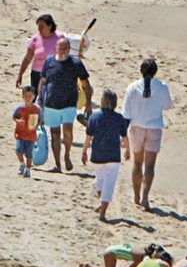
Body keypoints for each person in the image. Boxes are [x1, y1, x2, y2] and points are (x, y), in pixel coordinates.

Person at [122, 58, 173, 208]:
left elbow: (126, 113)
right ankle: (145, 197)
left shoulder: (132, 87)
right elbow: (168, 105)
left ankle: (136, 196)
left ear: (141, 71)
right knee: (150, 166)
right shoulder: (162, 87)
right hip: (154, 128)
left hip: (137, 127)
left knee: (137, 163)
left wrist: (123, 135)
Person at [39, 36, 92, 173]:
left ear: (69, 49)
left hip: (69, 103)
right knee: (55, 134)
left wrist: (88, 103)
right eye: (60, 48)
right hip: (51, 103)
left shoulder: (76, 63)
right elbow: (43, 81)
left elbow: (86, 84)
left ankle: (67, 154)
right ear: (56, 48)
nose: (63, 50)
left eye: (65, 48)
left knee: (68, 132)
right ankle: (58, 165)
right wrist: (40, 99)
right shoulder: (49, 61)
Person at [82, 89, 131, 220]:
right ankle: (103, 210)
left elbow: (88, 138)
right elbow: (124, 136)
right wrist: (128, 150)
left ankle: (102, 205)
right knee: (108, 183)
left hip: (97, 155)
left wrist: (84, 151)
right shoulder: (119, 118)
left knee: (99, 181)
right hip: (113, 156)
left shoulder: (94, 117)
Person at [14, 14, 67, 94]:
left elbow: (65, 56)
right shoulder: (35, 39)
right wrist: (20, 74)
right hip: (37, 74)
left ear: (50, 26)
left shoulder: (60, 37)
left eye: (42, 26)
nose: (39, 29)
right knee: (36, 97)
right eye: (38, 27)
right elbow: (28, 57)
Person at [77, 242, 165, 267]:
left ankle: (85, 266)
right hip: (111, 254)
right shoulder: (141, 256)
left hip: (111, 250)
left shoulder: (140, 250)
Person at [13, 86, 42, 177]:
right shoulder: (20, 108)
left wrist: (37, 126)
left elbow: (41, 119)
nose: (28, 98)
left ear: (34, 96)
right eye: (26, 96)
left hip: (31, 135)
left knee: (29, 154)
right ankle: (22, 164)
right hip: (20, 133)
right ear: (23, 96)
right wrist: (18, 121)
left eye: (30, 96)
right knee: (18, 151)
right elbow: (14, 116)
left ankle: (28, 169)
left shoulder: (37, 109)